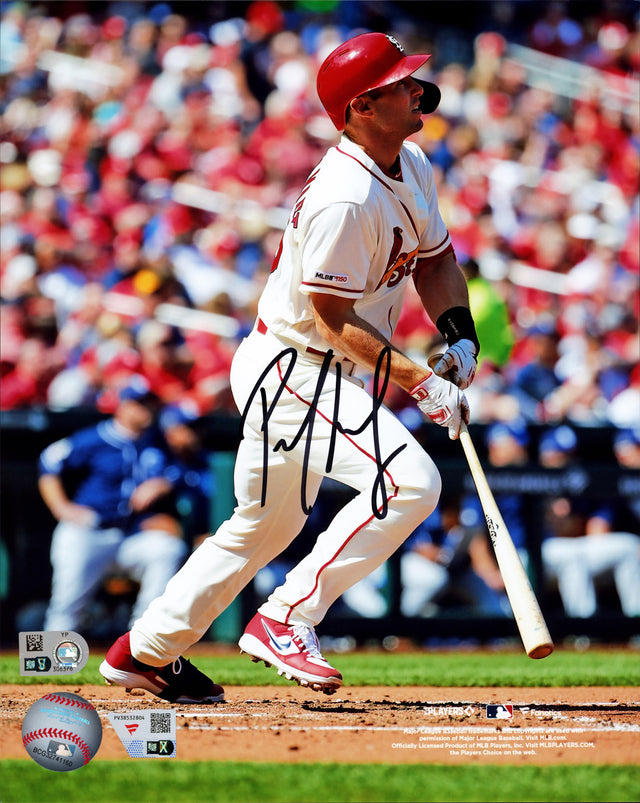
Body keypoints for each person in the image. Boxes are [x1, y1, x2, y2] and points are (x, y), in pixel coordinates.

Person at [100, 32, 479, 703]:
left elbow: (437, 259)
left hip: (320, 369)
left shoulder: (410, 161)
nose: (416, 89)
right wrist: (421, 384)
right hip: (295, 367)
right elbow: (332, 317)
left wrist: (460, 335)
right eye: (399, 83)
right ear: (362, 107)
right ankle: (287, 614)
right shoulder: (345, 196)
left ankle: (144, 650)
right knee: (411, 482)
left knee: (265, 527)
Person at [39, 375, 189, 634]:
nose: (146, 409)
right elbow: (49, 461)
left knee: (167, 549)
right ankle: (49, 656)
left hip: (129, 536)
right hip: (87, 531)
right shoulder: (94, 438)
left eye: (149, 403)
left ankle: (141, 640)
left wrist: (161, 483)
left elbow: (180, 471)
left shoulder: (156, 441)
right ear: (122, 406)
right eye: (139, 403)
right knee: (66, 606)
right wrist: (60, 507)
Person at [539, 425, 640, 618]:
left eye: (569, 455)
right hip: (539, 553)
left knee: (630, 548)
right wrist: (556, 519)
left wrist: (572, 522)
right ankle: (584, 631)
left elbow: (597, 532)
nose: (565, 460)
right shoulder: (534, 480)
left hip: (579, 549)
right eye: (559, 455)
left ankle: (636, 625)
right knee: (571, 558)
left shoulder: (580, 484)